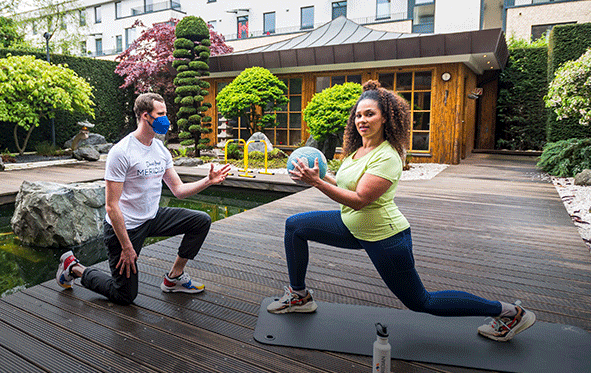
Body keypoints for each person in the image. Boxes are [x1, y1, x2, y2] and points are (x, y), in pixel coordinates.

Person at [268, 80, 536, 342]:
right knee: (295, 226)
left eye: (370, 114)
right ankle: (299, 296)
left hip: (385, 237)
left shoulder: (387, 156)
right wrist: (317, 176)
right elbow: (344, 184)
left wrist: (314, 183)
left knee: (421, 301)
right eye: (358, 115)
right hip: (352, 226)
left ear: (385, 118)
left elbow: (359, 199)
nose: (362, 120)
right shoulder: (358, 151)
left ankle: (510, 313)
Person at [55, 92, 231, 305]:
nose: (167, 120)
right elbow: (111, 207)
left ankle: (174, 278)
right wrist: (127, 247)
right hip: (125, 227)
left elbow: (178, 190)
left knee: (200, 221)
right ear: (145, 116)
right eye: (162, 114)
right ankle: (74, 268)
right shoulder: (122, 152)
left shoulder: (160, 149)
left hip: (152, 217)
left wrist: (208, 181)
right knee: (125, 295)